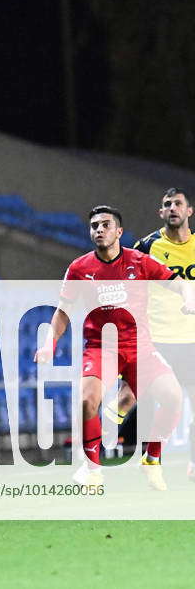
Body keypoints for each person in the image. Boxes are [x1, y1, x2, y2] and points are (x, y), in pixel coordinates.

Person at [35, 205, 191, 487]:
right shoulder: (79, 269)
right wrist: (49, 344)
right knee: (86, 401)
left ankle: (151, 459)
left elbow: (178, 282)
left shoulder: (139, 262)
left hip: (139, 347)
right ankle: (92, 469)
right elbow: (62, 312)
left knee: (173, 397)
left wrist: (187, 297)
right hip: (100, 348)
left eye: (106, 225)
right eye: (94, 226)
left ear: (119, 231)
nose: (99, 230)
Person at [129, 187, 195, 487]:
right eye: (167, 204)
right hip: (158, 340)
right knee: (134, 398)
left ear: (189, 211)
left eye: (178, 204)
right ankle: (96, 452)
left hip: (192, 341)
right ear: (160, 212)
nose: (172, 208)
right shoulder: (147, 246)